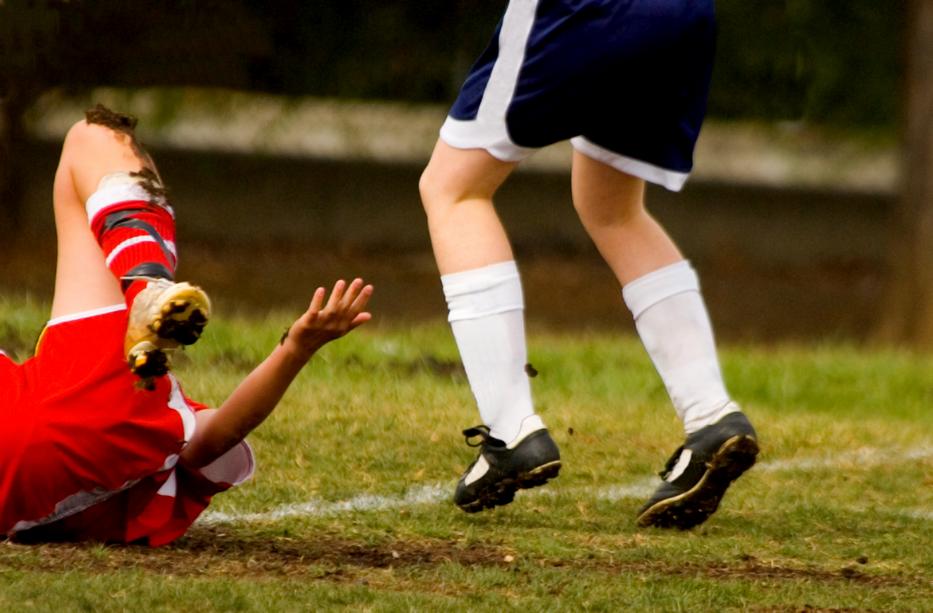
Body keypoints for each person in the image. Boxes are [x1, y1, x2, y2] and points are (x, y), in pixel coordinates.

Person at [419, 0, 758, 529]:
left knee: (453, 189)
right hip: (686, 17)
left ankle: (510, 430)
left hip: (590, 9)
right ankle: (711, 414)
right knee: (612, 208)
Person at [0, 105, 373, 545]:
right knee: (92, 137)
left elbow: (219, 435)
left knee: (93, 136)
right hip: (87, 408)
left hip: (74, 397)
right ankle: (145, 283)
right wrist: (295, 349)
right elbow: (219, 434)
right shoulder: (140, 417)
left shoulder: (133, 399)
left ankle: (146, 284)